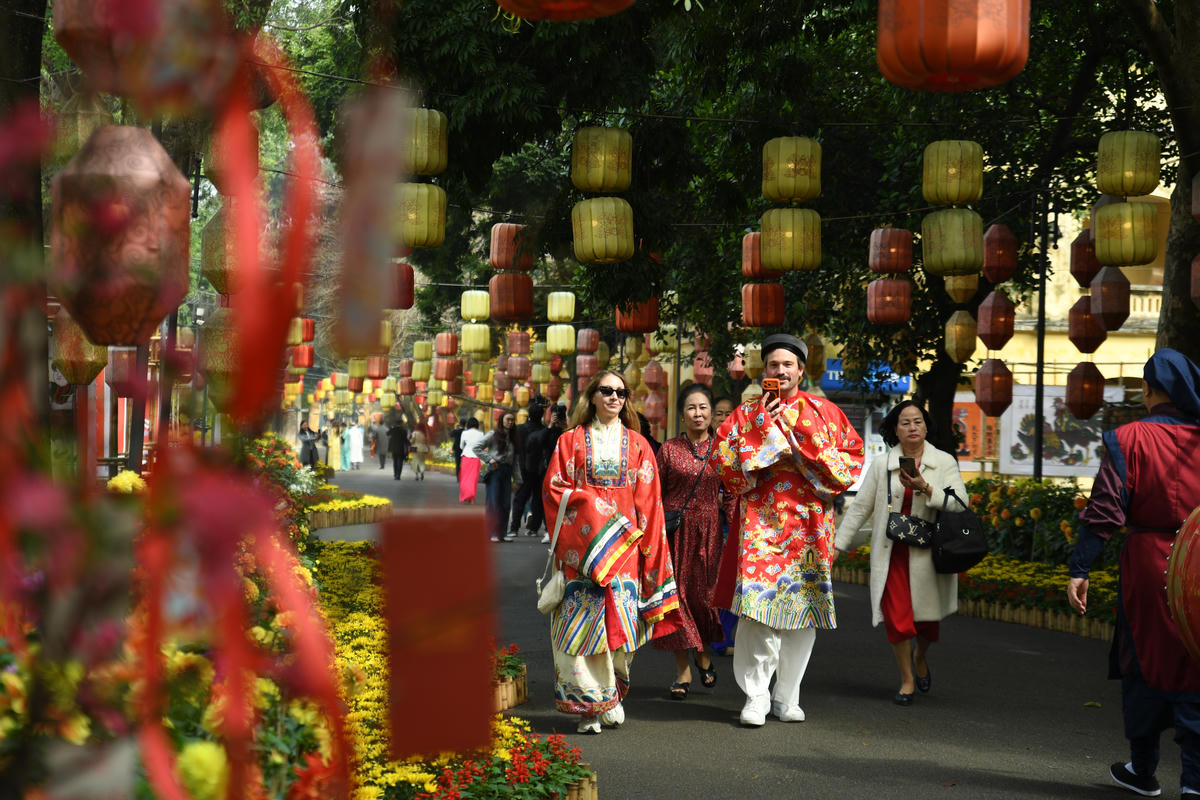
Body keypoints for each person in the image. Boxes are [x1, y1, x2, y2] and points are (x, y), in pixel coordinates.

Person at [1065, 348, 1200, 798]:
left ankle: (1142, 770)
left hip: (1148, 563)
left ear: (1146, 390)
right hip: (1198, 560)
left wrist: (1080, 567)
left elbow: (1105, 509)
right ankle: (1196, 781)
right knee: (1195, 660)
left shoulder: (1128, 438)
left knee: (1143, 659)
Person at [710, 333, 864, 727]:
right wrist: (763, 430)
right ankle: (756, 697)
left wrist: (800, 442)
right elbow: (722, 460)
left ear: (800, 369)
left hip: (809, 527)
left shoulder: (824, 411)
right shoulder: (746, 414)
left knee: (802, 614)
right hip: (760, 524)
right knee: (757, 613)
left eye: (788, 365)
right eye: (774, 365)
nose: (781, 371)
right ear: (765, 370)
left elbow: (851, 460)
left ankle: (787, 695)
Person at [542, 369, 682, 734]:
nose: (614, 397)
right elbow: (554, 490)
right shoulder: (569, 442)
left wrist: (652, 555)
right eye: (606, 391)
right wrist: (590, 508)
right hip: (581, 555)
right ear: (592, 396)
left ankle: (611, 695)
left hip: (626, 557)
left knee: (620, 630)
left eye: (621, 392)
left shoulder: (638, 446)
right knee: (581, 629)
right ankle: (590, 706)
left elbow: (650, 506)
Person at [833, 400, 966, 707]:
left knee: (928, 625)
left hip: (928, 554)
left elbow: (960, 503)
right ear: (895, 429)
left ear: (926, 426)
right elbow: (860, 508)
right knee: (898, 620)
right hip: (892, 552)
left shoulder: (943, 461)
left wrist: (927, 488)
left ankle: (920, 657)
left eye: (917, 421)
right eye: (905, 423)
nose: (912, 427)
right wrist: (839, 544)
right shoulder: (883, 465)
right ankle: (907, 678)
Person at [653, 384, 724, 700]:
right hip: (674, 535)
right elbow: (654, 494)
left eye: (704, 407)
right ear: (682, 415)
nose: (699, 413)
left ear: (711, 413)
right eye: (692, 408)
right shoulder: (668, 450)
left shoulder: (724, 449)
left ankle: (702, 653)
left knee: (703, 600)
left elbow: (733, 494)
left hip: (709, 535)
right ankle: (683, 670)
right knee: (675, 599)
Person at [475, 410, 522, 542]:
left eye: (512, 420)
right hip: (495, 471)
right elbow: (476, 447)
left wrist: (518, 479)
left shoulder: (514, 437)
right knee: (494, 502)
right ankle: (492, 532)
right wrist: (489, 459)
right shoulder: (493, 434)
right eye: (508, 419)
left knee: (506, 503)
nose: (510, 422)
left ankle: (502, 532)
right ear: (501, 420)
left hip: (507, 471)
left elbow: (516, 461)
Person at [527, 404, 568, 542]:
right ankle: (548, 529)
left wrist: (565, 427)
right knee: (547, 500)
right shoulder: (546, 431)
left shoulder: (567, 431)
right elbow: (539, 442)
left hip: (565, 470)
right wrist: (550, 426)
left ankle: (561, 530)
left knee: (562, 501)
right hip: (548, 470)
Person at [509, 397, 548, 538]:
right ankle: (534, 528)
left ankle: (514, 528)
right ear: (541, 416)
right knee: (538, 500)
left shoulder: (519, 429)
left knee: (520, 499)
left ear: (528, 415)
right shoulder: (545, 431)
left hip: (523, 469)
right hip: (539, 471)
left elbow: (514, 450)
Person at [457, 417, 485, 504]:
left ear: (468, 424)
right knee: (473, 478)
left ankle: (466, 496)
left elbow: (461, 446)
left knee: (464, 478)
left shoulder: (464, 433)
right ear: (477, 425)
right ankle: (472, 498)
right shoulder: (481, 434)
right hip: (476, 457)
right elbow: (482, 446)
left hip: (466, 456)